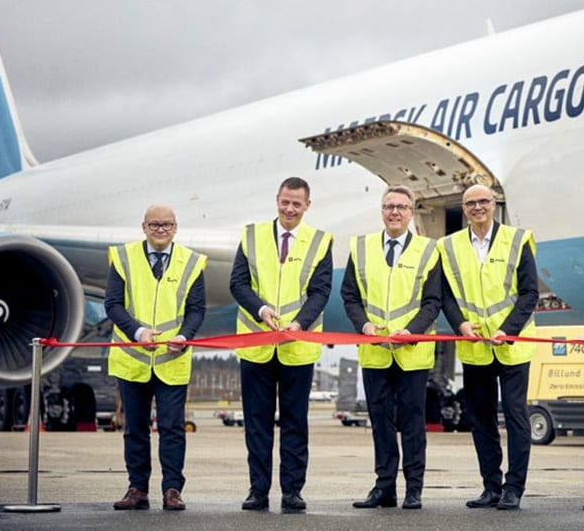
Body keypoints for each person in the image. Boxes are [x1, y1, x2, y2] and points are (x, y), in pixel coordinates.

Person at [229, 177, 333, 512]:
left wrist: (299, 322)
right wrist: (261, 310)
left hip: (297, 345)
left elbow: (320, 291)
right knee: (257, 423)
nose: (290, 209)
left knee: (295, 423)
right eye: (285, 202)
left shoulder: (320, 241)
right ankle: (258, 490)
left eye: (296, 204)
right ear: (277, 200)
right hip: (257, 344)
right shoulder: (252, 236)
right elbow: (238, 284)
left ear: (307, 206)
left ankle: (292, 491)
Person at [341, 185, 442, 510]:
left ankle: (414, 489)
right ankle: (384, 487)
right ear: (382, 211)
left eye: (401, 207)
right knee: (380, 421)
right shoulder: (361, 248)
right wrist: (364, 326)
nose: (394, 212)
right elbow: (350, 296)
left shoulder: (428, 250)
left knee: (412, 422)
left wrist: (411, 331)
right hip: (375, 351)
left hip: (412, 352)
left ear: (411, 212)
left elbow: (433, 301)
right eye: (388, 206)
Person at [440, 184, 539, 511]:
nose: (477, 207)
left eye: (483, 201)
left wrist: (508, 329)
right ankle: (491, 487)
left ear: (494, 204)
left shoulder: (517, 240)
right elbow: (446, 296)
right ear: (464, 208)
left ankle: (514, 488)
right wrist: (460, 325)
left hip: (511, 346)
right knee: (480, 419)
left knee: (515, 415)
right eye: (470, 203)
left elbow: (529, 293)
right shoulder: (449, 246)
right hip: (475, 346)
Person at [105, 204, 207, 511]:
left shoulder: (192, 262)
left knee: (172, 429)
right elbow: (113, 304)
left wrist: (185, 336)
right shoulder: (123, 258)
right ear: (144, 227)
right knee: (135, 429)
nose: (160, 230)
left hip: (172, 359)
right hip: (133, 359)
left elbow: (196, 310)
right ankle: (137, 488)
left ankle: (172, 489)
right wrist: (137, 332)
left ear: (175, 228)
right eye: (154, 225)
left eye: (166, 225)